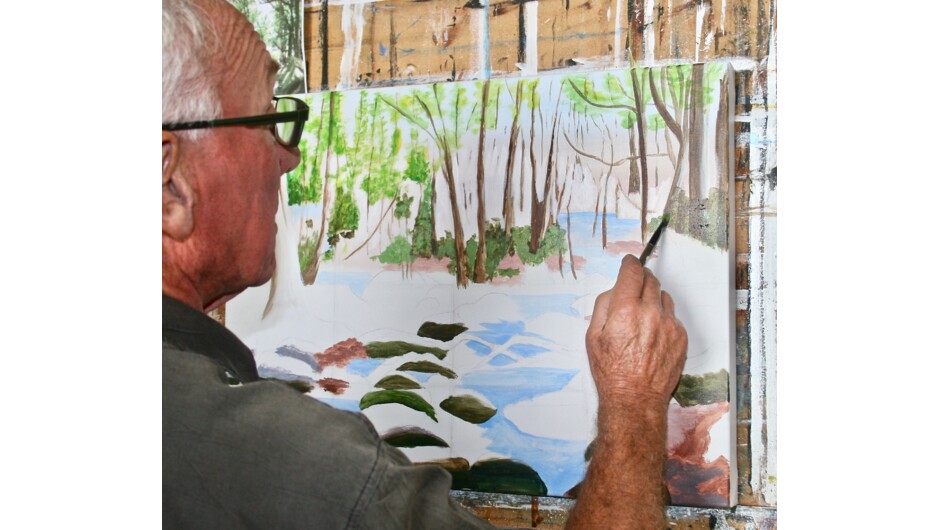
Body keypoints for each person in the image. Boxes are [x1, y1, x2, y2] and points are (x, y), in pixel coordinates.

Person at [162, 0, 688, 527]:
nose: (288, 156)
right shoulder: (306, 472)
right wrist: (632, 401)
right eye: (270, 122)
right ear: (168, 183)